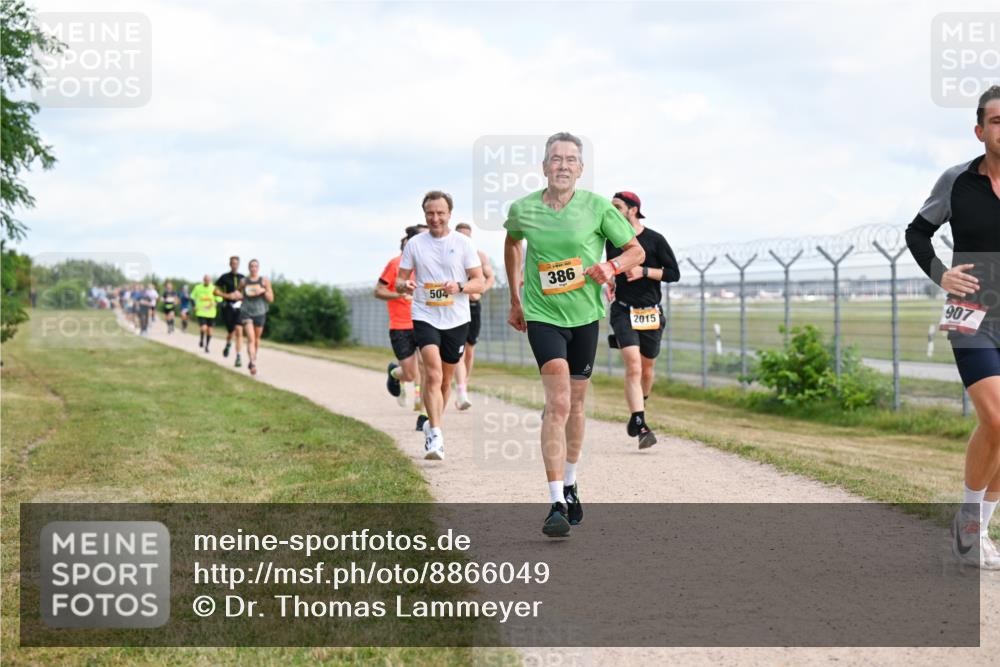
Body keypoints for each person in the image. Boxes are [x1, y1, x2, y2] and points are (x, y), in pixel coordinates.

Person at [503, 132, 645, 537]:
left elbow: (636, 251)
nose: (563, 165)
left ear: (580, 169)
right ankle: (555, 503)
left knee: (576, 405)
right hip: (542, 314)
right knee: (558, 401)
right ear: (544, 166)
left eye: (571, 160)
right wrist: (516, 297)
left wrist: (612, 267)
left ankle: (570, 480)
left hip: (584, 316)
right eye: (555, 159)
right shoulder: (524, 209)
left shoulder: (598, 207)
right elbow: (512, 242)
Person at [905, 85, 1000, 570]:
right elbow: (916, 232)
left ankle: (975, 528)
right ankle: (969, 521)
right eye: (998, 121)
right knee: (997, 417)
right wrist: (941, 273)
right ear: (980, 129)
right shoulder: (957, 180)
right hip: (972, 312)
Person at [396, 191, 486, 460]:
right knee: (433, 374)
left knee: (445, 380)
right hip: (425, 314)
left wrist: (459, 286)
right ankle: (435, 434)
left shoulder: (463, 243)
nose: (435, 218)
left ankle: (434, 424)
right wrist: (406, 284)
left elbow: (478, 282)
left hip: (457, 318)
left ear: (449, 214)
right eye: (430, 213)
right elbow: (400, 280)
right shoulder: (415, 244)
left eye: (440, 213)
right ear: (424, 214)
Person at [605, 191, 680, 449]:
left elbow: (674, 273)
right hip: (623, 310)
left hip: (650, 312)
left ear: (633, 210)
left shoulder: (655, 240)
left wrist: (644, 271)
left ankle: (639, 408)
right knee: (633, 366)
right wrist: (608, 281)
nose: (612, 211)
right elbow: (605, 266)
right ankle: (640, 424)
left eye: (617, 207)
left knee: (647, 369)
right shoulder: (611, 241)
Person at [376, 225, 427, 417]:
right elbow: (378, 291)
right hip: (401, 326)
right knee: (411, 374)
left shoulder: (431, 264)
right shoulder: (396, 264)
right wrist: (398, 293)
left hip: (425, 322)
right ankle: (394, 373)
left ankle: (424, 415)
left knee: (427, 367)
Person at [452, 223, 496, 410]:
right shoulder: (451, 254)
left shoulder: (479, 255)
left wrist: (480, 291)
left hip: (473, 305)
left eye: (467, 235)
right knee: (459, 350)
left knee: (469, 349)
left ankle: (464, 383)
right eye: (460, 235)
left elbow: (490, 276)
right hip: (454, 305)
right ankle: (461, 390)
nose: (464, 238)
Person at [238, 259, 274, 376]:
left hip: (260, 312)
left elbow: (271, 299)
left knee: (257, 340)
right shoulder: (243, 281)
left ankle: (252, 358)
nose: (253, 268)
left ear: (258, 268)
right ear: (249, 268)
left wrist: (263, 290)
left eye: (255, 266)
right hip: (246, 312)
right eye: (251, 266)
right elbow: (238, 294)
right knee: (251, 339)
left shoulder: (264, 281)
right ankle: (253, 363)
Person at [215, 256, 245, 367]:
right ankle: (228, 344)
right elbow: (215, 291)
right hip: (227, 307)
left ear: (239, 264)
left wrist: (242, 296)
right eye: (233, 263)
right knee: (231, 331)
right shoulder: (224, 277)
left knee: (239, 330)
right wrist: (227, 295)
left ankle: (238, 356)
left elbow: (247, 292)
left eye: (236, 263)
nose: (234, 265)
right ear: (230, 264)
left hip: (240, 307)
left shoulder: (243, 278)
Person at [190, 275, 220, 353]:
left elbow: (219, 298)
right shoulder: (198, 287)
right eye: (206, 280)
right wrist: (193, 306)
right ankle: (201, 339)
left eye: (208, 280)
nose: (207, 281)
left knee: (210, 331)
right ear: (203, 280)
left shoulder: (214, 288)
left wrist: (216, 302)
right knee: (204, 328)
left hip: (211, 313)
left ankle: (207, 346)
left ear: (210, 280)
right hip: (201, 312)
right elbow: (192, 297)